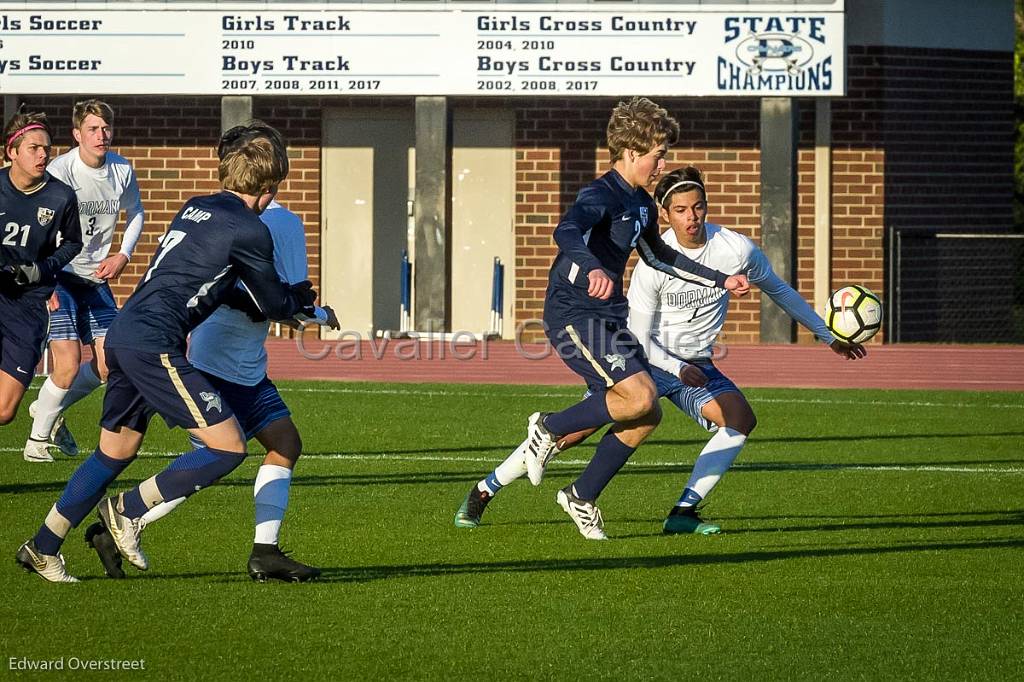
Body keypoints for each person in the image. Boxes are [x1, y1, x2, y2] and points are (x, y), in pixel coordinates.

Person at [455, 166, 866, 534]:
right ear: (664, 214)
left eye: (699, 207)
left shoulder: (736, 250)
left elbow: (777, 289)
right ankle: (486, 489)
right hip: (647, 359)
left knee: (739, 417)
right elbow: (636, 332)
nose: (693, 217)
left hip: (696, 365)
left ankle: (683, 511)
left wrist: (827, 336)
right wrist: (673, 366)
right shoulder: (653, 263)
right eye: (682, 210)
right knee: (573, 432)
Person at [16, 124, 317, 583]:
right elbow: (274, 304)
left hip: (124, 331)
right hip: (154, 342)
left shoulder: (195, 205)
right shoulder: (252, 228)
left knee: (113, 452)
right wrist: (303, 299)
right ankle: (126, 510)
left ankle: (42, 545)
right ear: (269, 187)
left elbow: (203, 279)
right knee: (228, 447)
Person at [506, 98, 749, 540]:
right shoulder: (599, 195)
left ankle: (581, 494)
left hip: (609, 315)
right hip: (574, 313)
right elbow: (565, 231)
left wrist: (720, 279)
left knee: (647, 412)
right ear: (632, 152)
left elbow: (661, 256)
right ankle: (548, 426)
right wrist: (594, 266)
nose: (662, 164)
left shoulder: (639, 202)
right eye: (658, 154)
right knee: (640, 396)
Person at [23, 100, 145, 463]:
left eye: (106, 128)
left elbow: (136, 211)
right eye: (92, 128)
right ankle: (37, 440)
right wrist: (42, 282)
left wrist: (123, 254)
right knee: (67, 362)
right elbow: (37, 224)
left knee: (110, 364)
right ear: (77, 134)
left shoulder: (122, 169)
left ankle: (45, 406)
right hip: (59, 275)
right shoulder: (61, 172)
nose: (101, 135)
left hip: (95, 278)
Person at [0, 111, 83, 429]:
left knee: (5, 411)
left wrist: (43, 269)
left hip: (28, 305)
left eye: (47, 148)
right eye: (34, 148)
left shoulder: (61, 196)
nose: (43, 154)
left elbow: (74, 243)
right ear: (12, 152)